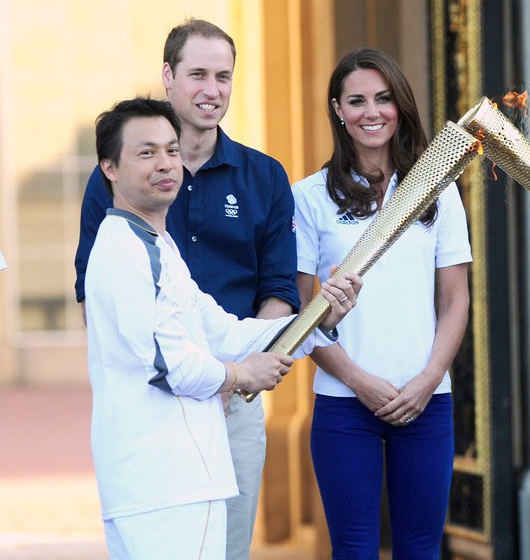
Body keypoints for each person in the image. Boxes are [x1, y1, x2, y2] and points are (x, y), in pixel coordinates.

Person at [85, 97, 360, 559]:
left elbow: (226, 333)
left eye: (171, 150)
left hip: (184, 479)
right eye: (146, 152)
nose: (165, 164)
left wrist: (319, 318)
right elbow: (170, 364)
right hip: (161, 484)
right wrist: (239, 376)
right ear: (109, 168)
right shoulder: (126, 252)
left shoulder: (158, 245)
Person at [73, 18, 299, 558]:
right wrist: (227, 375)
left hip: (226, 405)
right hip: (159, 428)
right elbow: (145, 342)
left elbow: (259, 301)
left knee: (226, 549)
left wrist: (318, 323)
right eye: (197, 73)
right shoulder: (123, 217)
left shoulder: (257, 180)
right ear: (168, 77)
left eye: (223, 76)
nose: (211, 89)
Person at [292, 48, 472, 558]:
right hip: (343, 403)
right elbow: (301, 309)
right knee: (354, 549)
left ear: (400, 105)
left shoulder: (437, 189)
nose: (372, 112)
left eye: (383, 98)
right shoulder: (308, 197)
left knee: (421, 548)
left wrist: (429, 378)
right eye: (357, 101)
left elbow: (456, 300)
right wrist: (358, 381)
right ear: (338, 110)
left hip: (426, 401)